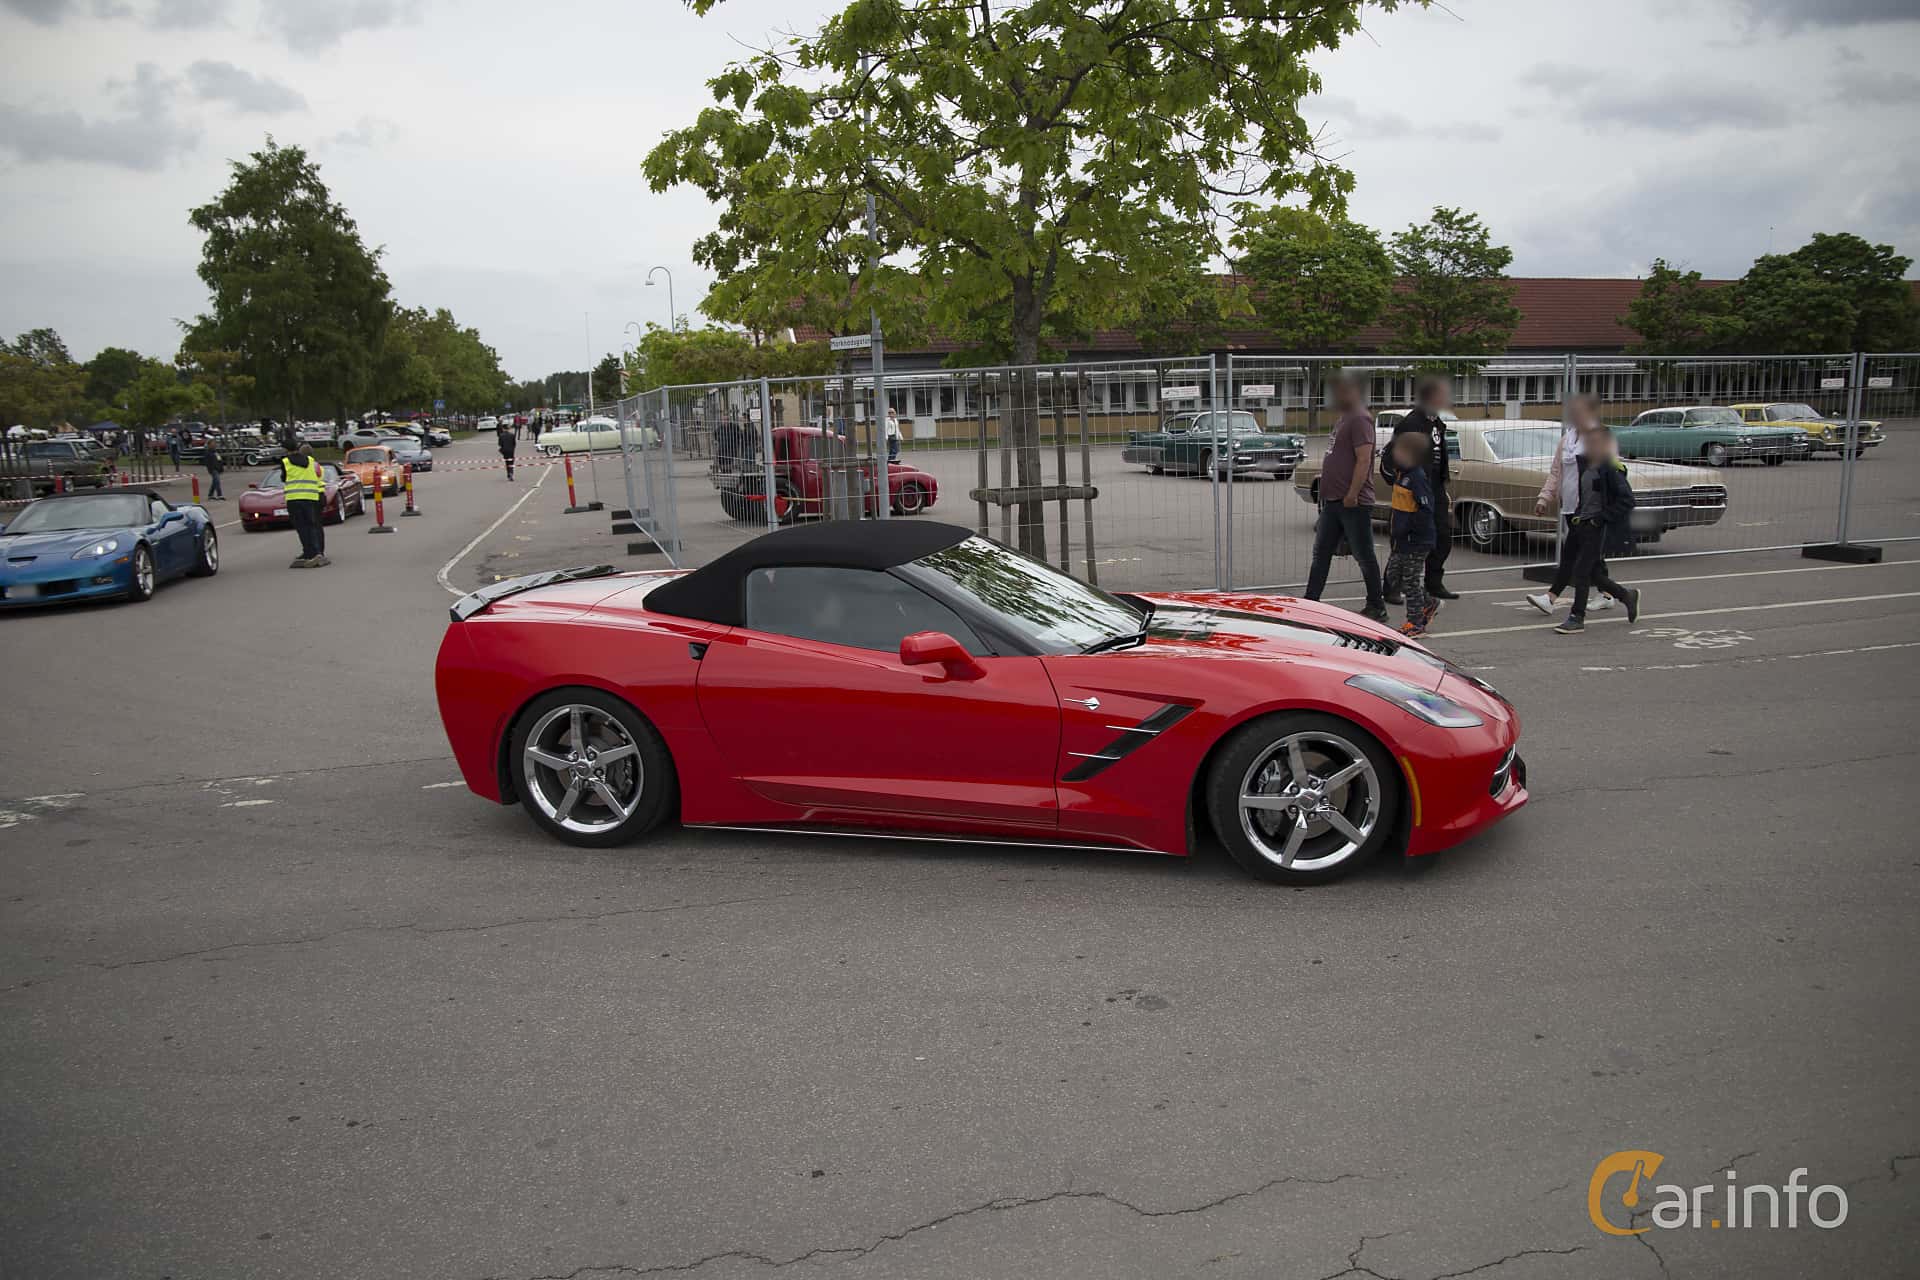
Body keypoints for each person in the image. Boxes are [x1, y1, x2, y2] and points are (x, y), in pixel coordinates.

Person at [1530, 423, 1639, 634]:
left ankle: (1576, 617)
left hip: (1597, 526)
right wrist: (1579, 515)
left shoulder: (1610, 468)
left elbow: (1627, 500)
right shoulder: (1584, 465)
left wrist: (1600, 519)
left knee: (1581, 570)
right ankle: (1625, 595)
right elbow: (1581, 494)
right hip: (1581, 522)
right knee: (1584, 569)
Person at [1303, 372, 1387, 622]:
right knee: (1321, 552)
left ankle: (1376, 604)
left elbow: (1363, 460)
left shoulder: (1360, 418)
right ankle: (1310, 602)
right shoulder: (1344, 418)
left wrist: (1352, 493)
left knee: (1364, 554)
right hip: (1333, 500)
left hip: (1352, 502)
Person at [1528, 397, 1616, 613]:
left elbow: (1611, 473)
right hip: (1570, 507)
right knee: (1585, 557)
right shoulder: (1566, 440)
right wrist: (1544, 498)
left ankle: (1553, 598)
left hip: (1590, 509)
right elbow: (1556, 472)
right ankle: (1610, 594)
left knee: (1578, 557)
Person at [1382, 376, 1456, 603]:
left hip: (1435, 488)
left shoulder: (1436, 422)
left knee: (1442, 537)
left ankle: (1433, 582)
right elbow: (1395, 456)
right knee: (1405, 541)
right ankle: (1392, 587)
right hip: (1413, 489)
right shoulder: (1412, 422)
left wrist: (1442, 484)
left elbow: (1440, 455)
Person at [1385, 431, 1439, 637]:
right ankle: (1428, 602)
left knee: (1410, 580)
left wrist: (1412, 533)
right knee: (1393, 575)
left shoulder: (1416, 478)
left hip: (1416, 540)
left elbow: (1426, 509)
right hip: (1401, 539)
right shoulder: (1401, 475)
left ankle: (1415, 622)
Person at [280, 447, 329, 568]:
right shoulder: (315, 465)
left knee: (306, 526)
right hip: (316, 495)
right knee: (315, 525)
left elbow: (285, 478)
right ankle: (318, 551)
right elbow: (320, 476)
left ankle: (312, 551)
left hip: (305, 496)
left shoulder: (295, 464)